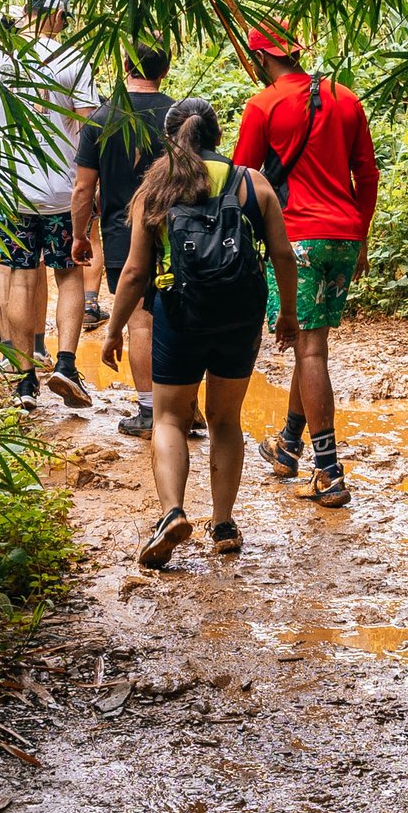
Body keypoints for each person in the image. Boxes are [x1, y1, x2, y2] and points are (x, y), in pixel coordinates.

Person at [100, 97, 299, 568]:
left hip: (179, 314)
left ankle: (172, 513)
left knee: (168, 419)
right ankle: (224, 522)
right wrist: (286, 314)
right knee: (226, 420)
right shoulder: (252, 182)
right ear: (217, 136)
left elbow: (133, 272)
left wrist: (113, 330)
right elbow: (284, 256)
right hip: (239, 316)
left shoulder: (158, 186)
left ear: (171, 139)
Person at [232, 22, 378, 509]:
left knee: (310, 351)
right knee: (310, 343)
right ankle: (289, 444)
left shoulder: (263, 105)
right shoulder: (346, 97)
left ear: (259, 59)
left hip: (297, 239)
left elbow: (243, 178)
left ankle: (330, 472)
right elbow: (366, 173)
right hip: (343, 234)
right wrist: (361, 236)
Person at [0, 0, 96, 409]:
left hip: (10, 190)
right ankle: (65, 367)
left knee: (20, 275)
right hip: (63, 192)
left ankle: (24, 380)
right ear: (59, 15)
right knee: (69, 274)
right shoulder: (73, 59)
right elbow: (88, 127)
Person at [70, 39, 174, 437]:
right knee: (177, 317)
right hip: (175, 234)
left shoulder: (102, 117)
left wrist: (80, 236)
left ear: (125, 66)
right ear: (164, 70)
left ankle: (150, 412)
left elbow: (83, 189)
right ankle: (184, 408)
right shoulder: (177, 115)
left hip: (120, 235)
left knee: (141, 323)